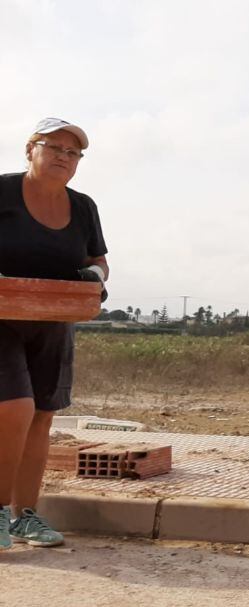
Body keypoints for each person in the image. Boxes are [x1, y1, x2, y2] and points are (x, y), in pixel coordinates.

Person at [0, 118, 108, 549]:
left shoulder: (82, 207)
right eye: (55, 147)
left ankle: (24, 516)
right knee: (14, 410)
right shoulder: (3, 192)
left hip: (52, 321)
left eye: (74, 152)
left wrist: (94, 277)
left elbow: (98, 259)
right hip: (0, 320)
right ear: (31, 149)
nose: (65, 157)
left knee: (42, 415)